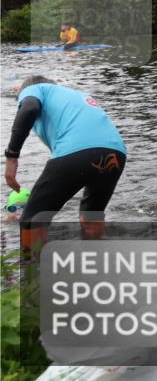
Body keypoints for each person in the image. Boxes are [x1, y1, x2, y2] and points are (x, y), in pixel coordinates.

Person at [4, 76, 127, 256]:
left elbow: (29, 107)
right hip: (116, 152)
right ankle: (97, 263)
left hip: (78, 150)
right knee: (92, 216)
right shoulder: (74, 95)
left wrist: (12, 157)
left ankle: (34, 276)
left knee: (32, 220)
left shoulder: (36, 88)